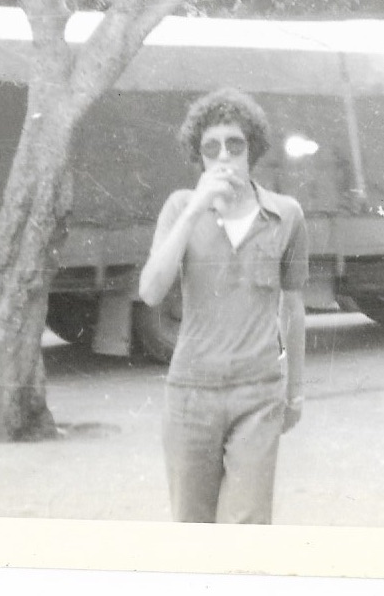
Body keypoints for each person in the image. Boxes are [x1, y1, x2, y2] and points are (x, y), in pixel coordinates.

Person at [138, 88, 308, 524]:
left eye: (236, 144)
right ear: (199, 157)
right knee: (192, 529)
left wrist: (296, 392)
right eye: (210, 148)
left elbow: (293, 309)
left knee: (247, 530)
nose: (224, 156)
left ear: (254, 149)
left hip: (258, 394)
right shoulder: (180, 207)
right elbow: (151, 291)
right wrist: (195, 208)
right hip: (191, 394)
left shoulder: (286, 215)